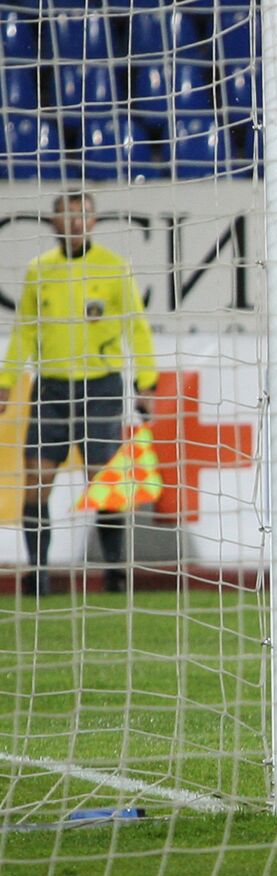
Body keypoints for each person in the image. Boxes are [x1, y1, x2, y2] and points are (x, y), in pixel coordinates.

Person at [0, 191, 158, 597]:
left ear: (93, 221)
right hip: (50, 387)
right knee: (37, 481)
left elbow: (136, 327)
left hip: (100, 386)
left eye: (83, 215)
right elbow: (24, 331)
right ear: (53, 223)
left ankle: (114, 573)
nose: (75, 223)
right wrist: (6, 381)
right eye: (67, 216)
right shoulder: (39, 271)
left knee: (101, 482)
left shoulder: (113, 267)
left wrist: (146, 382)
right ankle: (38, 574)